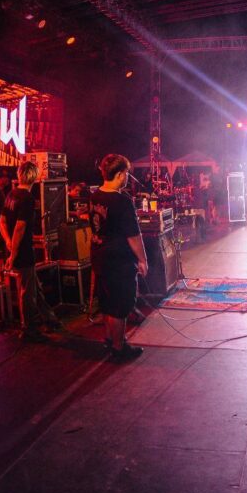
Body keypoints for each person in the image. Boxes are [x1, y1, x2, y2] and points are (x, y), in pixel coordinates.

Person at [90, 154, 148, 361]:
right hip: (118, 260)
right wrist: (142, 259)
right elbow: (133, 236)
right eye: (127, 174)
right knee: (121, 305)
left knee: (107, 302)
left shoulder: (95, 195)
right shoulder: (122, 201)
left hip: (99, 256)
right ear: (121, 174)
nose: (127, 178)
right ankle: (118, 347)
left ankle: (109, 339)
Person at [0, 161, 60, 341]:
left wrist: (8, 242)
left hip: (14, 247)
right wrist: (14, 253)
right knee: (27, 291)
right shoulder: (27, 198)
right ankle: (28, 329)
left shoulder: (11, 194)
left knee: (34, 285)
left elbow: (1, 222)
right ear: (34, 176)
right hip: (23, 250)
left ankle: (49, 318)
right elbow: (20, 228)